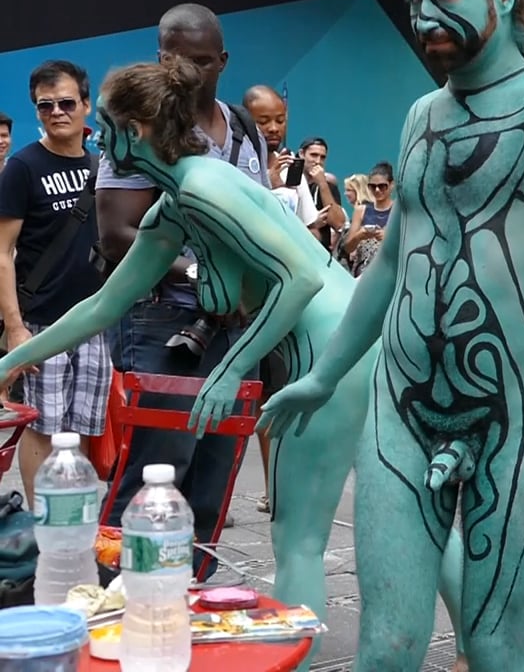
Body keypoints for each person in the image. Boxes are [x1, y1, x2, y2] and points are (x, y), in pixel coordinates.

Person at [257, 0, 524, 669]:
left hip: (514, 417)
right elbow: (395, 263)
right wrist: (326, 372)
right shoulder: (420, 115)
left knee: (494, 645)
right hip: (400, 407)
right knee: (385, 645)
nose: (422, 15)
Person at [0, 58, 448, 672]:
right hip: (349, 344)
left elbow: (298, 281)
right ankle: (478, 648)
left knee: (298, 540)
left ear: (136, 128)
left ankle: (301, 661)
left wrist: (230, 369)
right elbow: (107, 303)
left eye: (104, 123)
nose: (97, 138)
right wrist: (13, 359)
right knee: (406, 515)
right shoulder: (180, 201)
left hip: (330, 352)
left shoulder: (204, 190)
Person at [93, 3, 269, 552]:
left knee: (213, 480)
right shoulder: (139, 125)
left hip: (239, 328)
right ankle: (119, 604)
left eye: (201, 60)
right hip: (165, 321)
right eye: (175, 58)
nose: (189, 71)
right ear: (160, 56)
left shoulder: (242, 126)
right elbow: (117, 232)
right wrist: (200, 273)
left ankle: (193, 609)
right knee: (156, 479)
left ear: (222, 60)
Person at [0, 61, 109, 506]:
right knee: (43, 428)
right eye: (46, 106)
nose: (57, 112)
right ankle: (43, 523)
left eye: (67, 103)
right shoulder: (23, 167)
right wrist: (15, 328)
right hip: (41, 322)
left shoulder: (102, 166)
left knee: (80, 429)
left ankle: (74, 515)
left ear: (86, 106)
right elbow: (2, 252)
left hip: (92, 321)